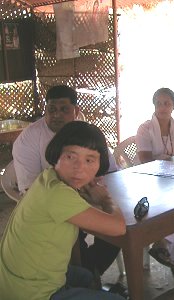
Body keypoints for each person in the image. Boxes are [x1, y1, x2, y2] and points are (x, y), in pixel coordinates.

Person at [0, 121, 126, 300]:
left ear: (99, 164)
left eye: (89, 160)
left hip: (12, 279)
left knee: (86, 276)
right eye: (70, 157)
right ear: (56, 155)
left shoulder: (48, 178)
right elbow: (118, 227)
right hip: (29, 292)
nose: (79, 168)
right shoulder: (58, 194)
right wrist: (105, 199)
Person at [12, 85, 121, 286]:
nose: (56, 115)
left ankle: (88, 277)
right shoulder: (28, 140)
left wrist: (93, 195)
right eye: (51, 109)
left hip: (79, 199)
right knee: (98, 232)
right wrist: (103, 200)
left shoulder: (83, 132)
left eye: (64, 109)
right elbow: (27, 191)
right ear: (54, 156)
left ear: (76, 112)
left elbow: (109, 172)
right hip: (54, 212)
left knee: (105, 239)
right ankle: (85, 280)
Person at [134, 87, 174, 278]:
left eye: (167, 103)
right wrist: (171, 164)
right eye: (159, 103)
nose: (163, 107)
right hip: (149, 179)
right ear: (153, 105)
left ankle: (162, 242)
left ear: (173, 106)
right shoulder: (145, 128)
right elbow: (145, 160)